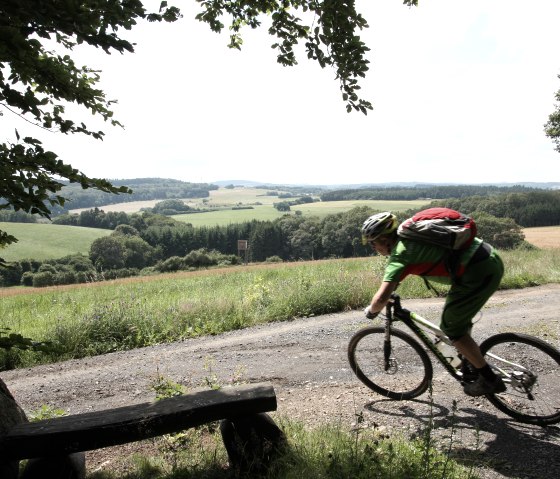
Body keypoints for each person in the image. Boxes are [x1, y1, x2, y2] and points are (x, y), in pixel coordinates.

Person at [361, 211, 506, 396]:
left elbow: (380, 299)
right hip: (489, 257)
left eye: (373, 242)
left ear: (384, 239)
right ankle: (468, 360)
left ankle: (489, 379)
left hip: (477, 272)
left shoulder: (400, 255)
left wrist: (371, 312)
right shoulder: (412, 235)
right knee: (455, 321)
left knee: (452, 330)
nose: (373, 247)